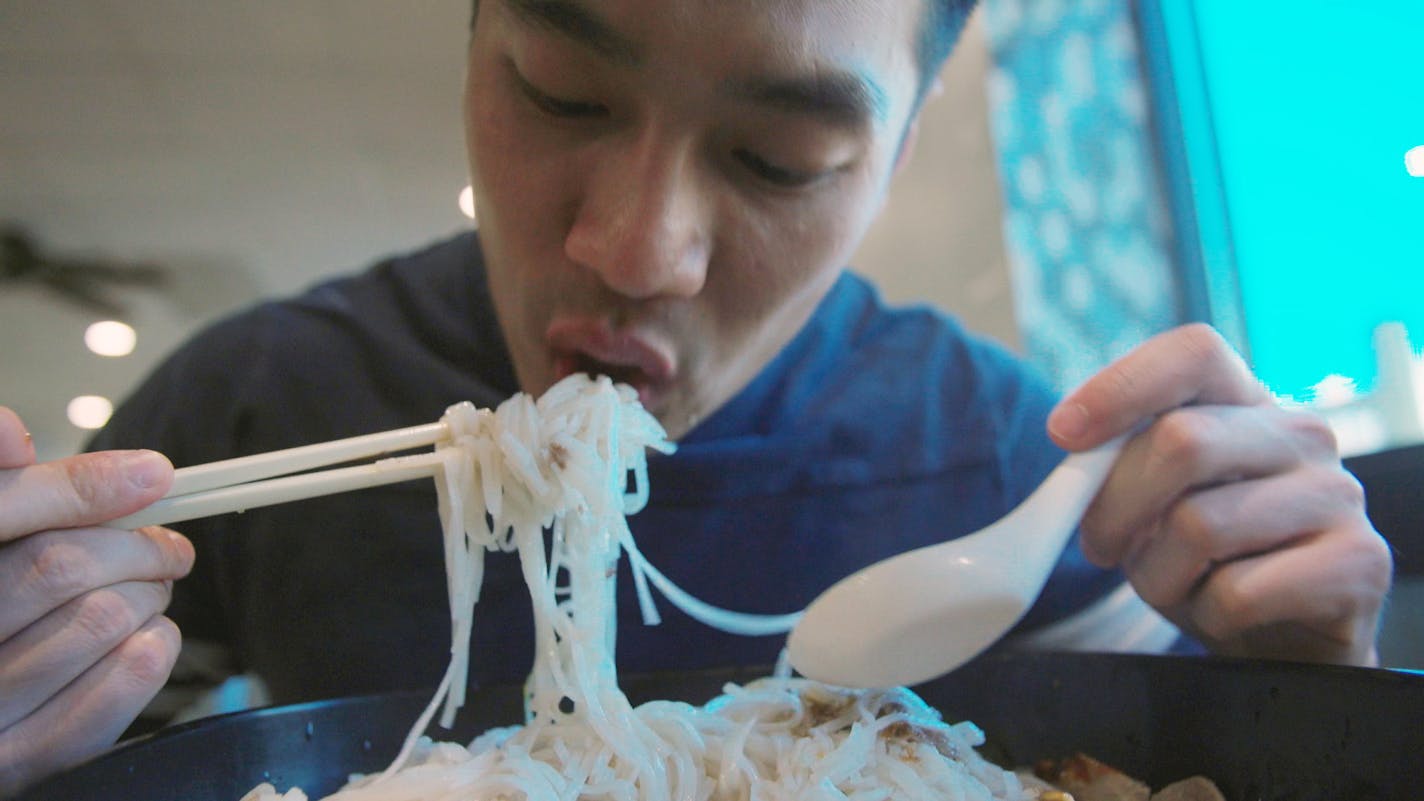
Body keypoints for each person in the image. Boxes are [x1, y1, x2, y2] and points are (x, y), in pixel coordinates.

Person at [0, 0, 1393, 794]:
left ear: (895, 156)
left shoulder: (1008, 458)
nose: (638, 247)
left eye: (780, 158)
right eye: (560, 92)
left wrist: (1326, 685)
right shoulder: (253, 400)